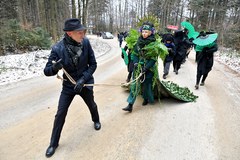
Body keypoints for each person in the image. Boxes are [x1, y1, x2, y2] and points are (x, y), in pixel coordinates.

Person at [43, 18, 101, 158]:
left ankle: (96, 120)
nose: (83, 35)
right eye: (79, 32)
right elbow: (46, 71)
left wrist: (83, 79)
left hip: (84, 83)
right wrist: (55, 68)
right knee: (60, 113)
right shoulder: (58, 48)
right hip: (69, 86)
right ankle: (53, 143)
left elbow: (93, 64)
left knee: (92, 105)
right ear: (69, 33)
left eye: (83, 31)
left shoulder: (86, 43)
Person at [122, 22, 159, 112]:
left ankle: (146, 98)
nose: (144, 34)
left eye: (146, 32)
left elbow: (153, 59)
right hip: (138, 67)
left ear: (150, 32)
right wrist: (135, 63)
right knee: (135, 85)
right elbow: (134, 54)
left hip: (149, 68)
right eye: (143, 32)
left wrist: (146, 68)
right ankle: (130, 104)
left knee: (147, 85)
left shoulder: (154, 44)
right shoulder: (138, 42)